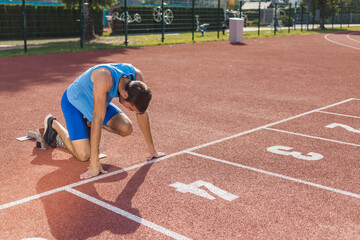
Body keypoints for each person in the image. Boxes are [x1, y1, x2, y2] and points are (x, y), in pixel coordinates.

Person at [42, 63, 165, 179]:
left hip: (97, 103)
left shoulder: (137, 77)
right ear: (126, 95)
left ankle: (86, 122)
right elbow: (98, 119)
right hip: (73, 102)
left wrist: (152, 148)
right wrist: (94, 162)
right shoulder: (104, 77)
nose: (132, 111)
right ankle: (54, 124)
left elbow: (141, 113)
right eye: (131, 109)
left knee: (126, 128)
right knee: (84, 155)